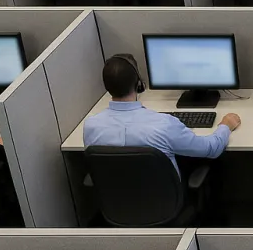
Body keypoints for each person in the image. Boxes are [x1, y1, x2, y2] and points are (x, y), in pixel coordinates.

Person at [82, 54, 241, 173]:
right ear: (139, 84)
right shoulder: (164, 124)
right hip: (165, 202)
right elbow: (211, 149)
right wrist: (225, 125)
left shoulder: (91, 126)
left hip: (116, 206)